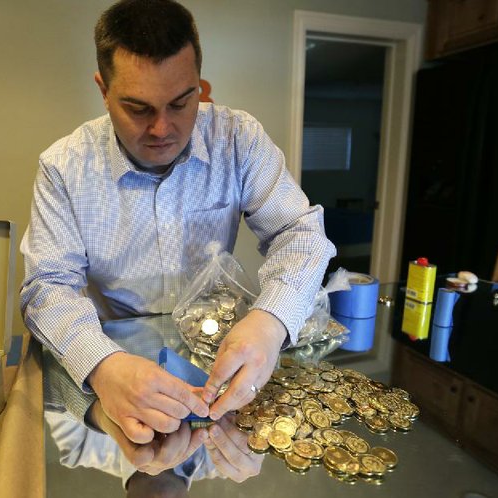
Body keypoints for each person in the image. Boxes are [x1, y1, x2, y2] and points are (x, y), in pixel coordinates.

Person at [20, 0, 335, 452]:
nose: (162, 128)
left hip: (216, 362)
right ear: (103, 90)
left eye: (181, 102)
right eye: (138, 107)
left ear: (199, 86)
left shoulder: (237, 137)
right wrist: (103, 366)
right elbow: (48, 286)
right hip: (116, 357)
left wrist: (270, 322)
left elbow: (300, 233)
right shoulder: (63, 166)